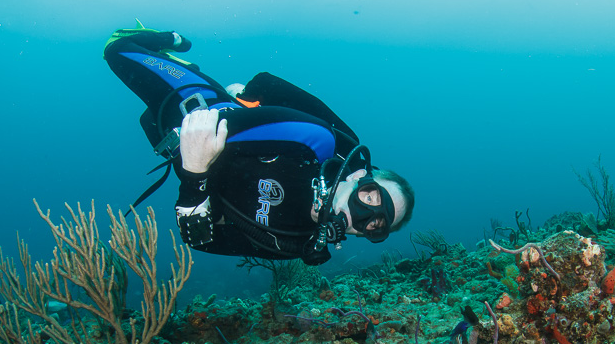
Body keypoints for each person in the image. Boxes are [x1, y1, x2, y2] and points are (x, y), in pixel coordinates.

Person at [104, 22, 414, 265]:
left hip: (181, 155)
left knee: (148, 120)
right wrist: (249, 98)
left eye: (377, 224)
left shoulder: (291, 243)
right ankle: (169, 41)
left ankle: (183, 71)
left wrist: (195, 177)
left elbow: (202, 240)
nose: (364, 217)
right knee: (117, 50)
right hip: (200, 109)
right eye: (371, 197)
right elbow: (218, 123)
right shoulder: (317, 144)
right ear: (359, 176)